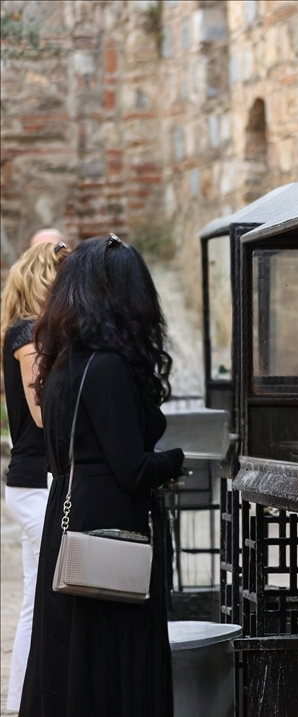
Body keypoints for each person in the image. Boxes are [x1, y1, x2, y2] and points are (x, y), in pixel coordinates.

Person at [20, 234, 185, 717]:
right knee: (111, 662)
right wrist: (176, 459)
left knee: (72, 657)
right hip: (109, 532)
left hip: (70, 523)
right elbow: (132, 468)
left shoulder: (63, 362)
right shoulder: (108, 365)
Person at [1, 241, 69, 712]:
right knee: (48, 596)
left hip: (29, 482)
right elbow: (42, 413)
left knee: (33, 600)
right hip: (34, 483)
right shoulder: (27, 334)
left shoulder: (22, 331)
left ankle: (21, 699)